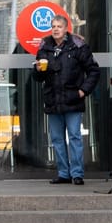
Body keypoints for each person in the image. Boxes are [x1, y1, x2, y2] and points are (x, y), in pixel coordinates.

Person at [36, 17, 100, 185]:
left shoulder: (77, 45)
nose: (55, 29)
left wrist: (83, 91)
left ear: (66, 29)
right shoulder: (45, 46)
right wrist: (37, 69)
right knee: (57, 139)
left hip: (72, 98)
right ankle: (64, 173)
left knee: (74, 137)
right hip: (53, 99)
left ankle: (77, 173)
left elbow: (93, 70)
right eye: (53, 26)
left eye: (59, 26)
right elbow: (37, 76)